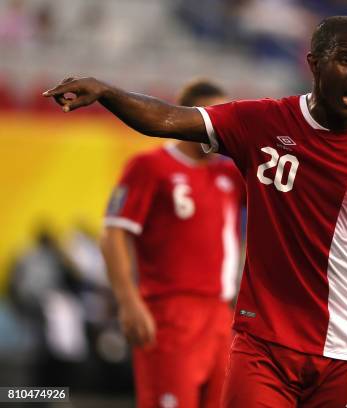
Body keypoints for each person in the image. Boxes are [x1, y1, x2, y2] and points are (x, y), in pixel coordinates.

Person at [43, 16, 347, 407]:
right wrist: (108, 92)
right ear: (314, 64)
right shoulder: (262, 122)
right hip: (262, 346)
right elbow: (170, 119)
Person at [100, 79, 244, 408]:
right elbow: (113, 233)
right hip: (170, 311)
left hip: (221, 314)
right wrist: (128, 301)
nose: (219, 127)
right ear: (187, 119)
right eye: (212, 117)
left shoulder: (228, 176)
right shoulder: (150, 167)